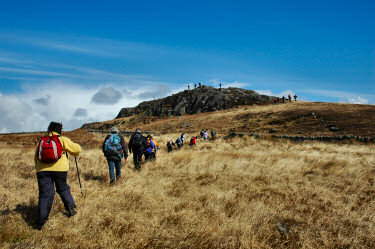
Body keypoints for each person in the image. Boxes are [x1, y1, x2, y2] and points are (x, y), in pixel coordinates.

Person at [34, 121, 82, 230]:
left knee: (45, 194)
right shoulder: (62, 139)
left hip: (42, 170)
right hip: (60, 170)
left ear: (49, 129)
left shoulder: (42, 140)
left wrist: (38, 168)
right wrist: (76, 147)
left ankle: (40, 222)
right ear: (60, 130)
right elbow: (77, 150)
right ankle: (70, 209)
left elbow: (36, 156)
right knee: (63, 188)